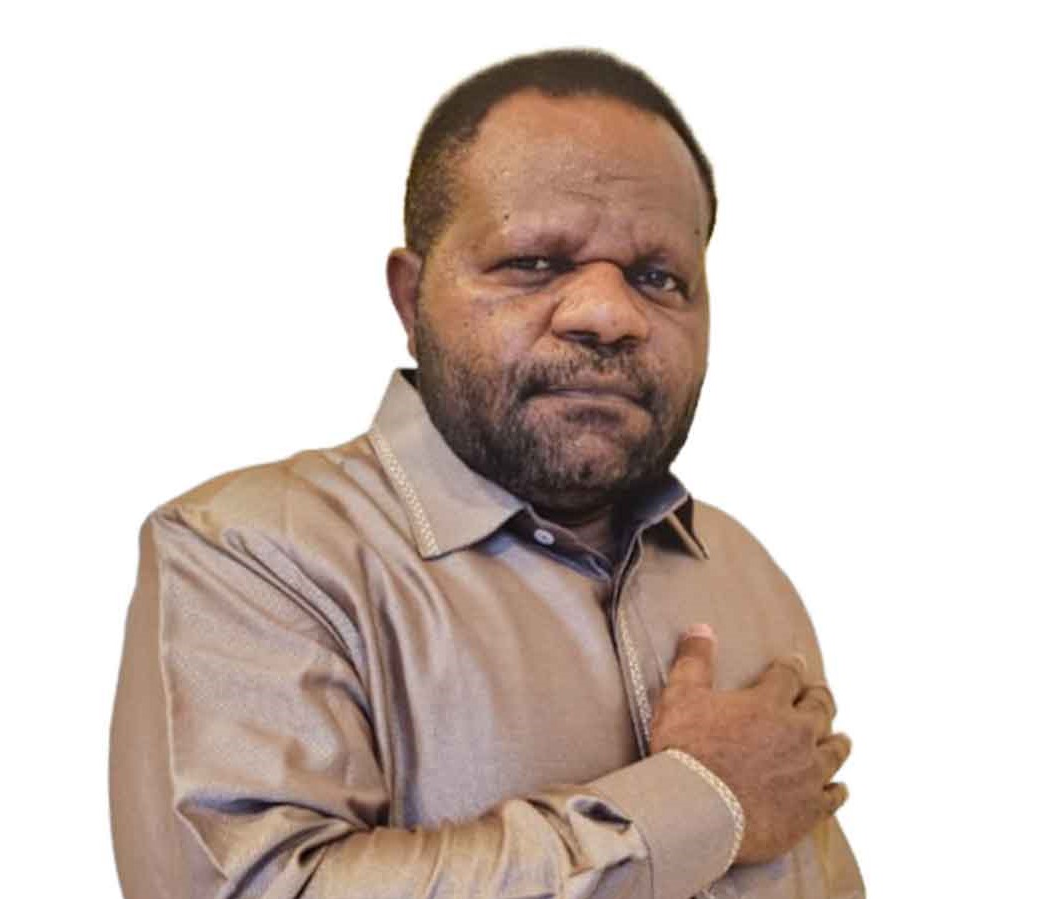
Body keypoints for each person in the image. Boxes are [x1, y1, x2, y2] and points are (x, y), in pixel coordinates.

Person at [109, 48, 865, 899]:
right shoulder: (248, 553)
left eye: (658, 277)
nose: (607, 314)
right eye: (534, 262)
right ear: (411, 298)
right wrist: (701, 801)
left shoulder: (745, 571)